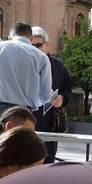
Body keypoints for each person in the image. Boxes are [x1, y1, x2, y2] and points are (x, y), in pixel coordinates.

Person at [0, 22, 52, 124]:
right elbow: (46, 95)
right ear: (31, 39)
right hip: (24, 113)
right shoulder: (41, 57)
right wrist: (32, 101)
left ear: (9, 37)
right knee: (19, 140)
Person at [31, 27, 72, 163]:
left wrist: (62, 98)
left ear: (47, 44)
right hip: (27, 119)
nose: (35, 48)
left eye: (38, 45)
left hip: (49, 122)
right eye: (32, 45)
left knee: (48, 163)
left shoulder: (57, 65)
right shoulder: (25, 63)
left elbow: (67, 89)